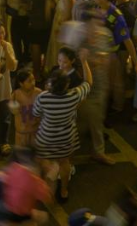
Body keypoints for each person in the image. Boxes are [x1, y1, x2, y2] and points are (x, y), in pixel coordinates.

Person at [33, 55, 93, 201]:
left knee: (41, 161)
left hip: (45, 137)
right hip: (66, 138)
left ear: (51, 84)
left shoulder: (43, 97)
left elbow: (36, 115)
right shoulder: (73, 96)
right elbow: (89, 83)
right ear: (66, 85)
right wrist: (84, 61)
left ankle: (42, 190)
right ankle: (64, 191)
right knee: (64, 163)